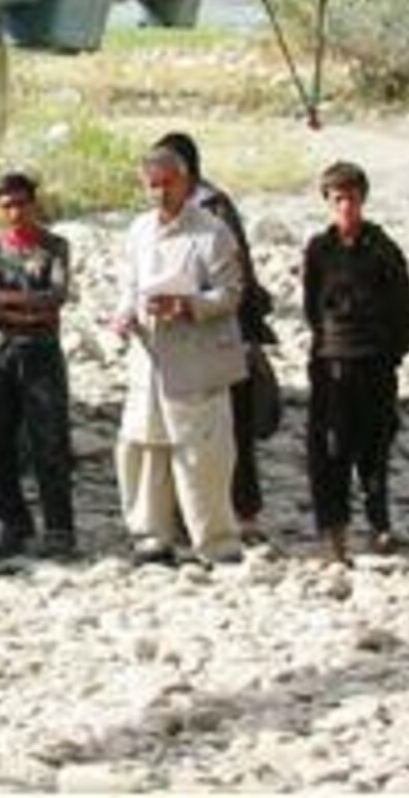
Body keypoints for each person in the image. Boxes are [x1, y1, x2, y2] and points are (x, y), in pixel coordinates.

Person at [108, 145, 246, 566]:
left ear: (185, 182)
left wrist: (187, 306)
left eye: (168, 184)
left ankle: (216, 543)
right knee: (143, 446)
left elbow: (232, 293)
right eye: (153, 186)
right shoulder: (138, 231)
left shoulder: (212, 231)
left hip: (194, 356)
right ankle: (151, 536)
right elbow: (130, 287)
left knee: (201, 454)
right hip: (149, 358)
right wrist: (124, 315)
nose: (160, 193)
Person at [155, 130, 278, 542]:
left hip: (220, 330)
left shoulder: (211, 209)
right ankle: (204, 513)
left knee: (229, 427)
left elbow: (233, 276)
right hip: (187, 332)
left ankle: (239, 514)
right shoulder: (178, 207)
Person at [303, 161, 409, 564]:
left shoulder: (382, 251)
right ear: (328, 203)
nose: (346, 206)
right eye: (338, 199)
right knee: (330, 451)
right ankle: (333, 531)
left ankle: (379, 523)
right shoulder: (320, 250)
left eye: (351, 198)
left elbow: (405, 313)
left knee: (374, 447)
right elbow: (312, 308)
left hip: (374, 364)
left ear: (362, 199)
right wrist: (327, 348)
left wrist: (389, 356)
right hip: (332, 363)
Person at [0, 171, 77, 560]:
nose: (15, 212)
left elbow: (58, 293)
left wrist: (9, 303)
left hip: (41, 352)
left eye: (21, 204)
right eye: (7, 206)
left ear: (34, 204)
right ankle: (13, 524)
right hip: (2, 352)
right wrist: (23, 306)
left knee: (50, 441)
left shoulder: (53, 247)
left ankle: (60, 529)